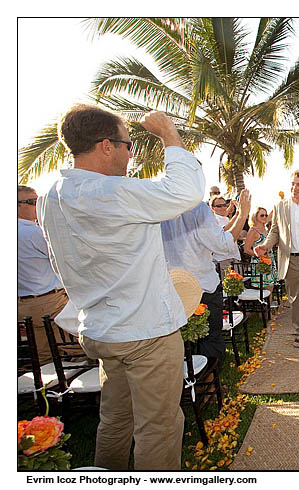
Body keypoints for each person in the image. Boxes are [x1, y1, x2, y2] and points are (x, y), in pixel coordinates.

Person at [37, 106, 205, 470]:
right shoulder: (114, 192)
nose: (131, 155)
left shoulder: (49, 197)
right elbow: (187, 191)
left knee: (115, 421)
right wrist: (169, 136)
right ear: (106, 146)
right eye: (128, 145)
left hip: (101, 331)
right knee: (158, 430)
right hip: (145, 332)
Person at [161, 191, 250, 365]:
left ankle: (185, 381)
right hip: (203, 286)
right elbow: (222, 244)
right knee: (210, 338)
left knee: (177, 341)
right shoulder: (198, 208)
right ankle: (209, 383)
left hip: (172, 286)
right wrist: (243, 214)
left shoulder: (161, 205)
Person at [254, 170, 299, 356]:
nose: (294, 188)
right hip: (290, 261)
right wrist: (265, 245)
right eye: (293, 184)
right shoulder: (280, 206)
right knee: (295, 302)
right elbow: (274, 232)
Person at [18, 185, 84, 364]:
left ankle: (49, 389)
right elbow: (66, 260)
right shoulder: (34, 232)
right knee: (79, 349)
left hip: (23, 306)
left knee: (43, 358)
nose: (38, 205)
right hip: (51, 304)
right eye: (32, 202)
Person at [243, 207, 279, 295]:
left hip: (270, 261)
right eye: (262, 215)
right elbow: (246, 249)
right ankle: (266, 308)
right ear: (255, 217)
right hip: (260, 263)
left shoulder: (266, 229)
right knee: (266, 289)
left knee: (270, 288)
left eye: (265, 215)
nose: (264, 217)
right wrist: (259, 255)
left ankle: (269, 308)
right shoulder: (253, 230)